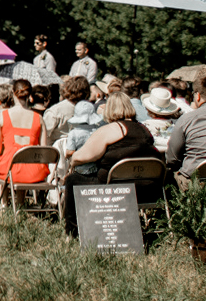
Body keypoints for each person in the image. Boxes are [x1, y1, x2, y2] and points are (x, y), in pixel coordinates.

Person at [64, 92, 159, 233]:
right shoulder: (144, 130)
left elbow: (80, 157)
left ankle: (73, 230)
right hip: (147, 189)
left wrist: (72, 162)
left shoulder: (110, 130)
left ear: (109, 109)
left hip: (115, 189)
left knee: (72, 179)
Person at [0, 79, 48, 205]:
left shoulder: (3, 116)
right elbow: (44, 150)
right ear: (29, 95)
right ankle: (20, 204)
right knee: (20, 162)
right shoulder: (39, 118)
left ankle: (4, 204)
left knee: (2, 162)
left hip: (9, 171)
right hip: (34, 172)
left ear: (13, 94)